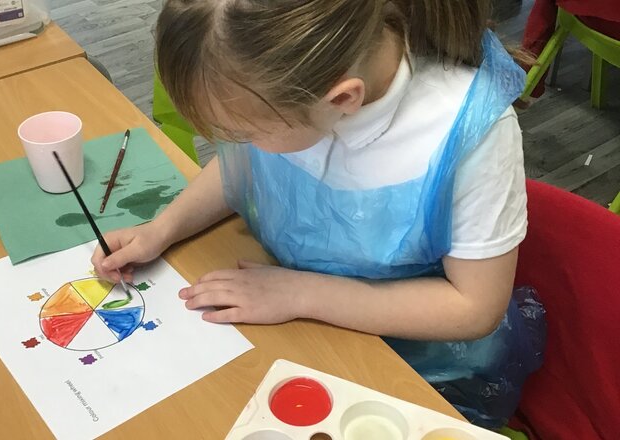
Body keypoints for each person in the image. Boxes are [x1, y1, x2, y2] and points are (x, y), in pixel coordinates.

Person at [93, 0, 545, 427]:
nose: (235, 144)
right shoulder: (293, 94)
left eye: (245, 131)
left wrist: (302, 294)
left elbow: (473, 309)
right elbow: (242, 167)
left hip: (422, 367)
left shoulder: (469, 134)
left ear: (342, 100)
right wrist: (163, 228)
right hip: (298, 323)